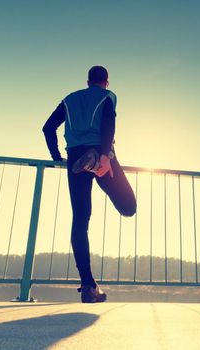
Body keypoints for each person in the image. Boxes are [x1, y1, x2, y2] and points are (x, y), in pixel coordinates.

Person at [42, 65, 137, 303]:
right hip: (102, 156)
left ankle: (88, 286)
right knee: (128, 207)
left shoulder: (69, 99)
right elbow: (108, 124)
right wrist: (105, 155)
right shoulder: (107, 96)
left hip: (75, 158)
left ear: (87, 81)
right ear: (106, 81)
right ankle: (95, 161)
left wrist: (56, 158)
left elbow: (48, 127)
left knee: (80, 219)